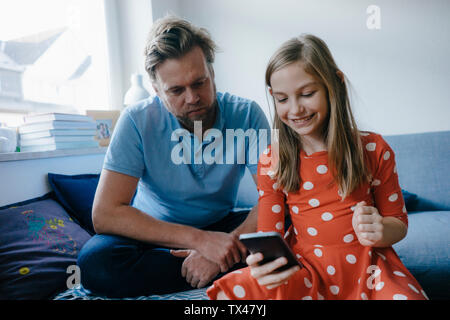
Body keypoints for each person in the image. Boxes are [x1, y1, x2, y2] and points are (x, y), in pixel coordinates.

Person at [207, 34, 428, 300]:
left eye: (307, 94)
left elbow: (398, 222)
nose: (296, 109)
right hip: (305, 269)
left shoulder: (373, 149)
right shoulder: (272, 161)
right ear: (272, 97)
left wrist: (381, 229)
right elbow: (269, 237)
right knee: (232, 293)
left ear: (335, 84)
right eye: (282, 99)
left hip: (369, 267)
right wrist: (264, 266)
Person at [77, 15, 270, 297]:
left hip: (223, 228)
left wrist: (225, 246)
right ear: (156, 90)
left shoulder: (247, 114)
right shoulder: (136, 120)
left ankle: (216, 265)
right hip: (157, 234)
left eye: (200, 83)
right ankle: (219, 268)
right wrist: (200, 242)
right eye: (176, 90)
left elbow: (273, 195)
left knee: (290, 224)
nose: (192, 98)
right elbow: (105, 214)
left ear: (212, 74)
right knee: (95, 263)